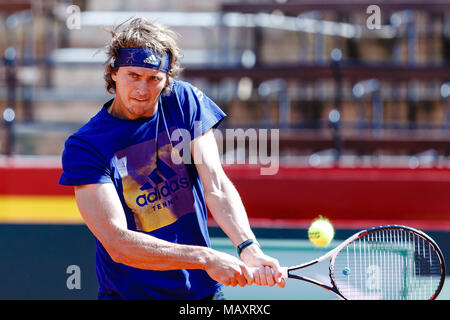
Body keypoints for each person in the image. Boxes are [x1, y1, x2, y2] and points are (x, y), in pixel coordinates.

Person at [59, 18, 285, 300]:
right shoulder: (86, 145)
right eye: (133, 75)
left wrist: (248, 247)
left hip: (201, 295)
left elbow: (215, 185)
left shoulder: (184, 101)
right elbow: (117, 243)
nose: (143, 89)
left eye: (154, 78)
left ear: (167, 78)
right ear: (113, 73)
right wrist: (205, 257)